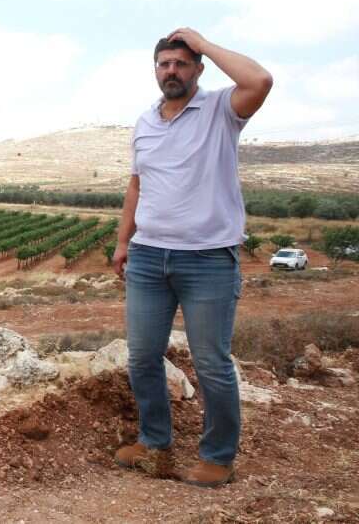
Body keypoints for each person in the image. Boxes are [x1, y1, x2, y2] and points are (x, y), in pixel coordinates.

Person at [111, 28, 273, 488]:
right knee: (143, 357)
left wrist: (202, 42)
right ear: (155, 71)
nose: (172, 71)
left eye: (182, 63)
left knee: (211, 364)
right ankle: (154, 442)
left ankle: (218, 458)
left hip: (208, 260)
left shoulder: (222, 109)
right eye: (164, 64)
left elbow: (260, 81)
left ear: (198, 69)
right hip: (148, 258)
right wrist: (123, 243)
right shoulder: (145, 122)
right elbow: (137, 186)